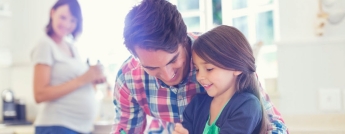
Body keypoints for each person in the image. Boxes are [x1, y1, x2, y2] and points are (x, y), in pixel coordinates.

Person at [112, 0, 287, 133]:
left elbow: (275, 125)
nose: (167, 75)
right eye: (152, 68)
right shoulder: (129, 78)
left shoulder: (219, 54)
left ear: (184, 39)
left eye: (173, 60)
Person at [173, 25, 268, 134]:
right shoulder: (196, 105)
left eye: (209, 69)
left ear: (236, 67)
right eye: (197, 69)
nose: (199, 77)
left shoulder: (247, 105)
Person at [31, 0, 106, 133]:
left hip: (78, 127)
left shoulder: (72, 47)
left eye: (72, 20)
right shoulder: (45, 45)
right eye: (63, 17)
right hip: (56, 126)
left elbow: (76, 82)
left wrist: (92, 79)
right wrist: (83, 78)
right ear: (52, 13)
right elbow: (40, 94)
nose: (67, 24)